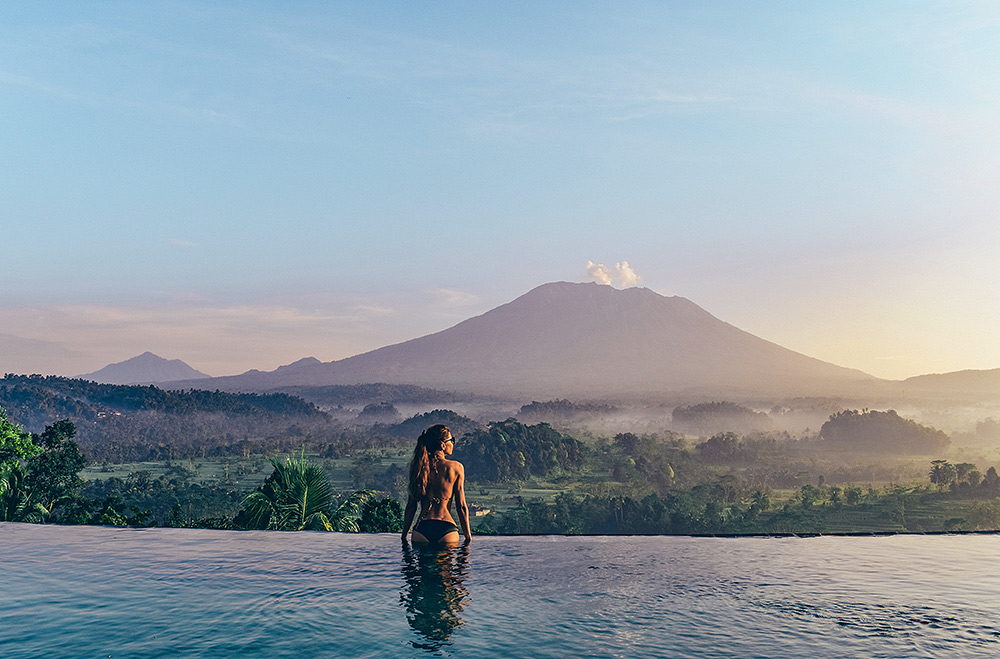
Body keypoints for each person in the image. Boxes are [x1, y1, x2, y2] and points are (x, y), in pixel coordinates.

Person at [401, 424, 471, 545]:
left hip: (422, 529)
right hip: (446, 529)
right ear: (443, 445)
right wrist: (468, 536)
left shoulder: (418, 467)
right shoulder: (456, 468)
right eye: (451, 440)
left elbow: (411, 506)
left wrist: (404, 535)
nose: (453, 443)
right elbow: (462, 507)